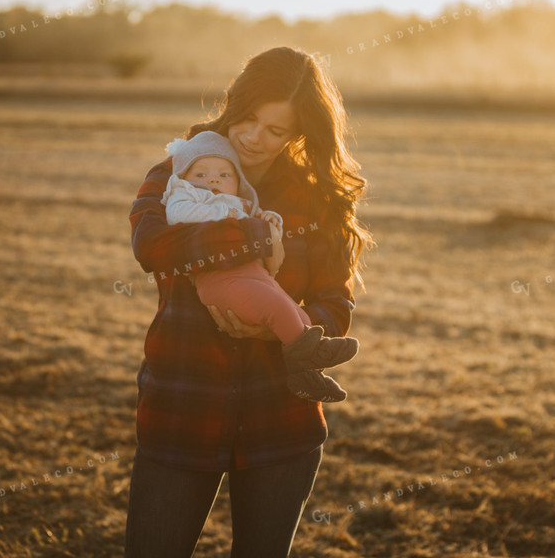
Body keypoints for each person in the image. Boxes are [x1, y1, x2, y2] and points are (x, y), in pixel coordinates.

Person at [125, 46, 373, 557]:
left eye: (276, 131)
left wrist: (283, 326)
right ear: (233, 105)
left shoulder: (314, 198)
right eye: (248, 119)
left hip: (280, 417)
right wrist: (257, 236)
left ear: (298, 135)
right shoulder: (181, 176)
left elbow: (335, 303)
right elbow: (153, 247)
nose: (254, 138)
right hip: (183, 404)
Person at [160, 130, 359, 402]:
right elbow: (178, 214)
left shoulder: (241, 202)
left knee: (292, 310)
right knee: (276, 307)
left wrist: (268, 220)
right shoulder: (189, 198)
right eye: (201, 175)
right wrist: (237, 218)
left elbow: (263, 226)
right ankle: (307, 356)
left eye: (224, 174)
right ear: (184, 180)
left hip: (254, 274)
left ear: (238, 182)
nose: (213, 179)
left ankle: (306, 372)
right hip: (222, 282)